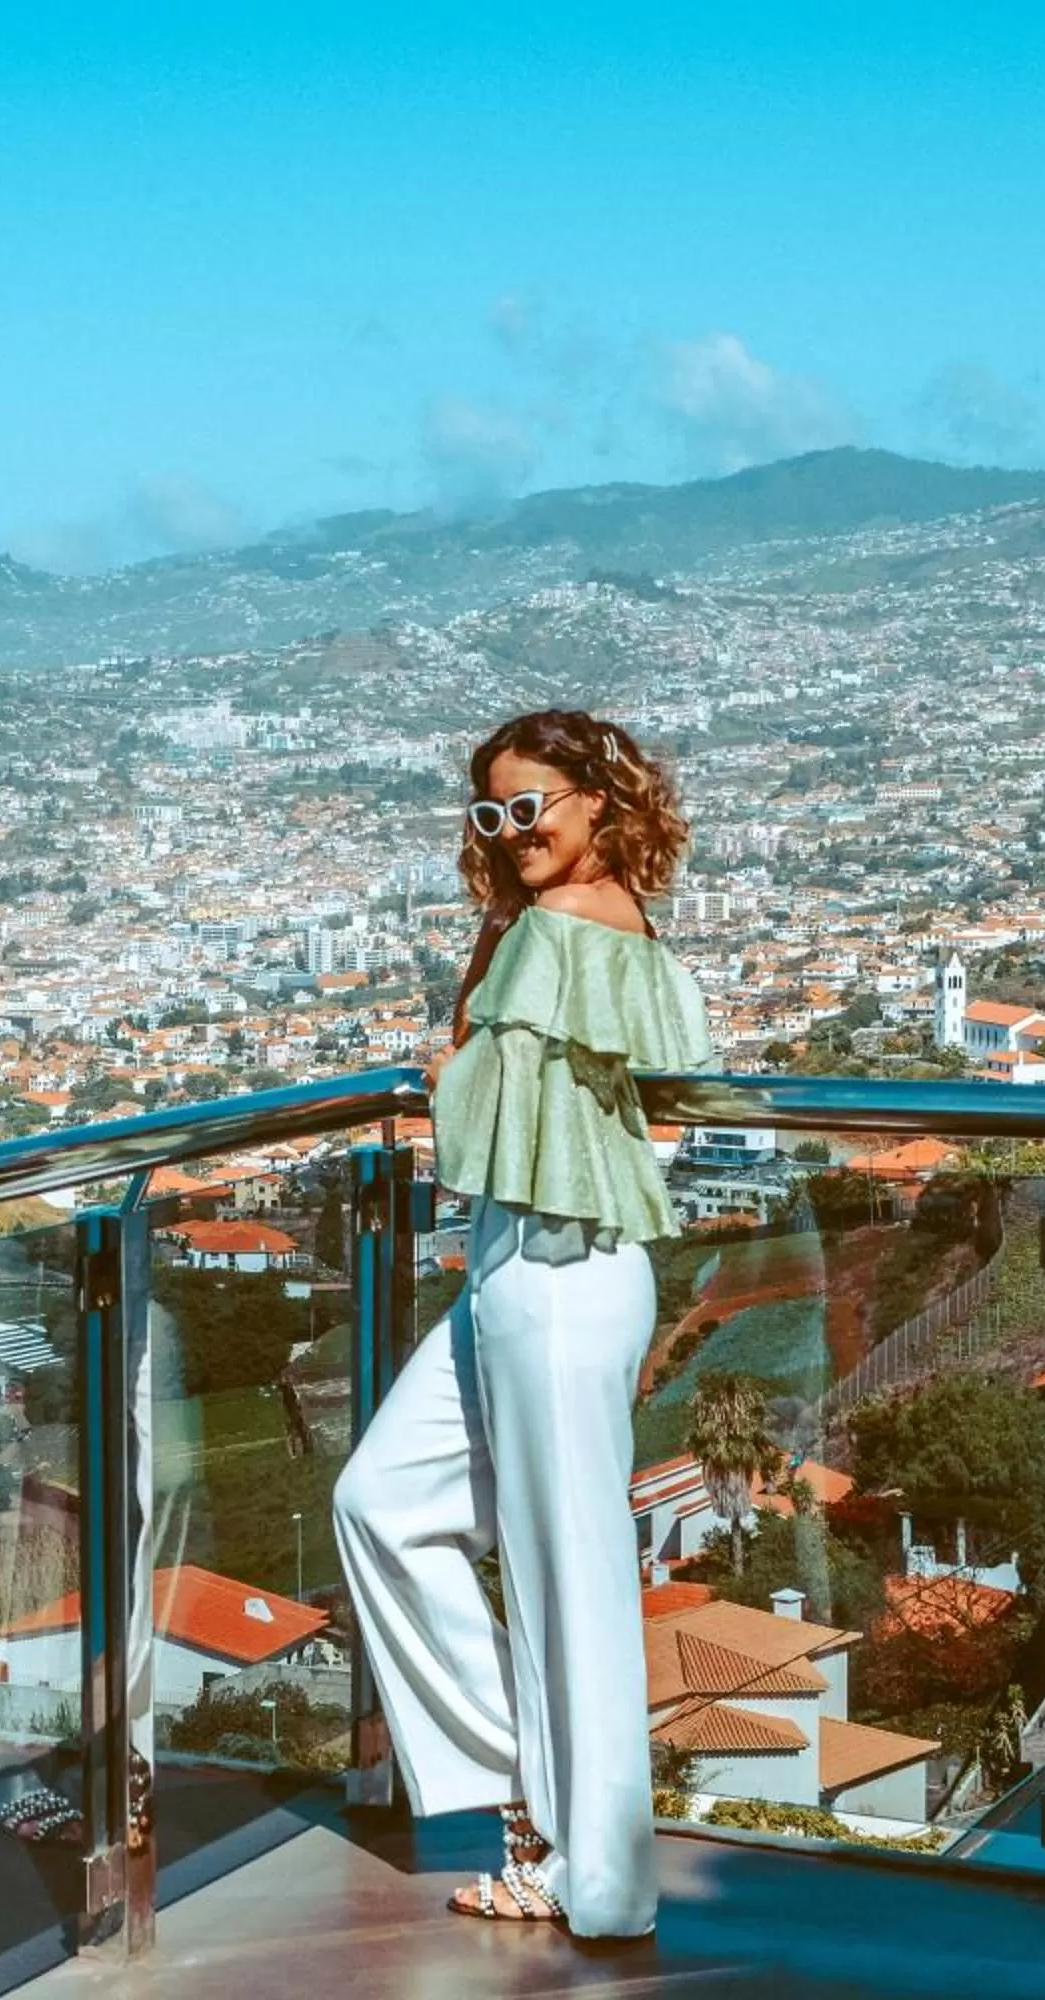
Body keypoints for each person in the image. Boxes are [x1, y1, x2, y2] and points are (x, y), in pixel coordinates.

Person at [331, 706, 709, 1937]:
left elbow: (468, 1085)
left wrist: (460, 1047)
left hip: (562, 1272)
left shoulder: (568, 928)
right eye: (492, 812)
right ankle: (531, 1800)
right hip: (515, 1261)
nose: (512, 830)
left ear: (601, 799)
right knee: (381, 1501)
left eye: (532, 803)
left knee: (572, 1581)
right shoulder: (556, 926)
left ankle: (599, 1881)